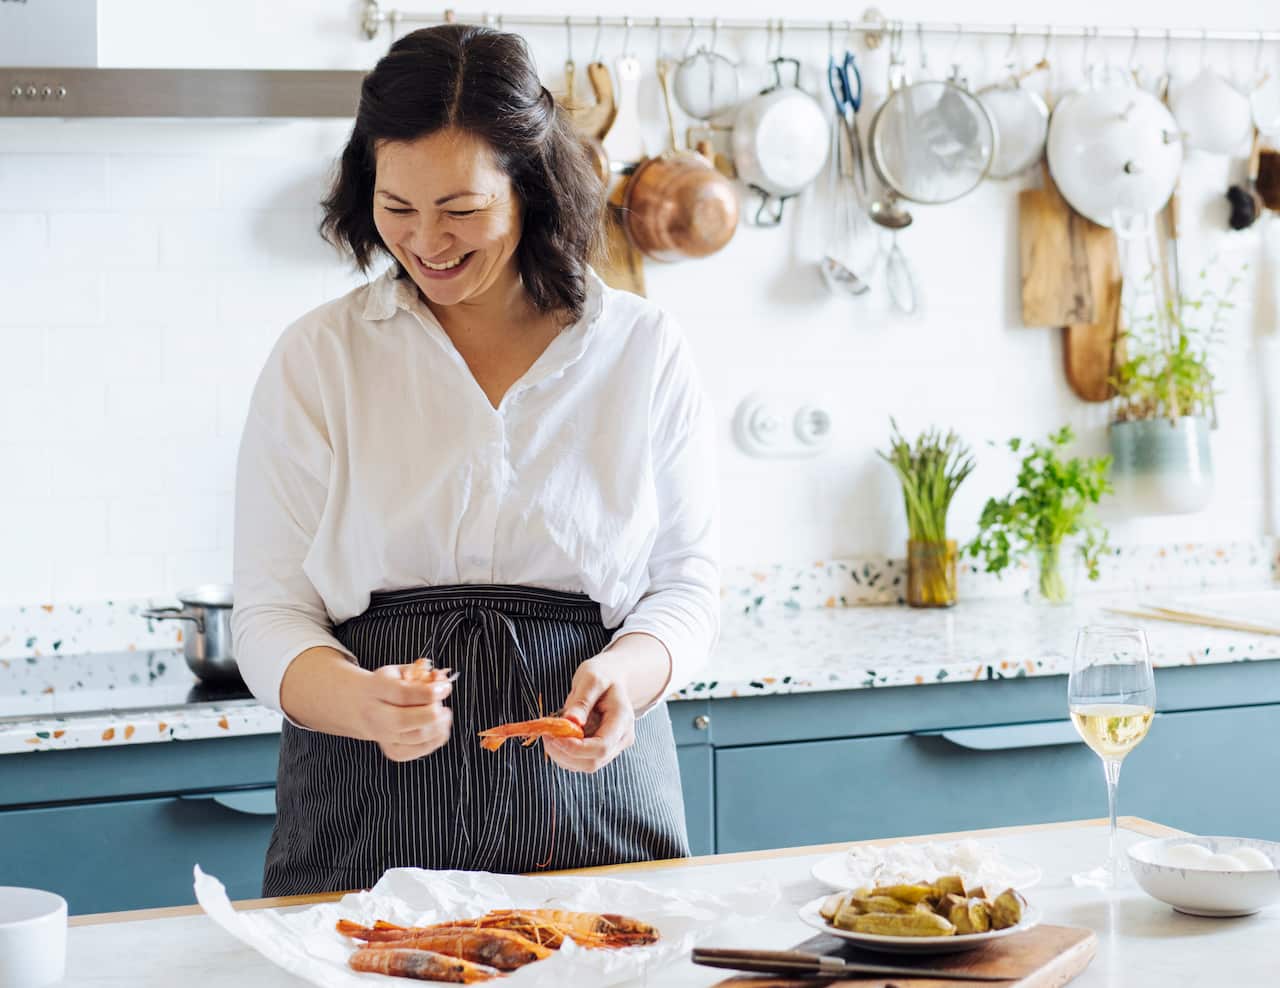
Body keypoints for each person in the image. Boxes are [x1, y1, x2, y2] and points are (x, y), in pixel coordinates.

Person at [231, 23, 719, 896]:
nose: (426, 242)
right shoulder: (319, 357)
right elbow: (270, 611)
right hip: (360, 798)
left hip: (592, 799)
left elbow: (686, 586)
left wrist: (628, 677)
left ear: (529, 186)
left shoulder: (641, 349)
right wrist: (357, 703)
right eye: (397, 206)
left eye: (460, 209)